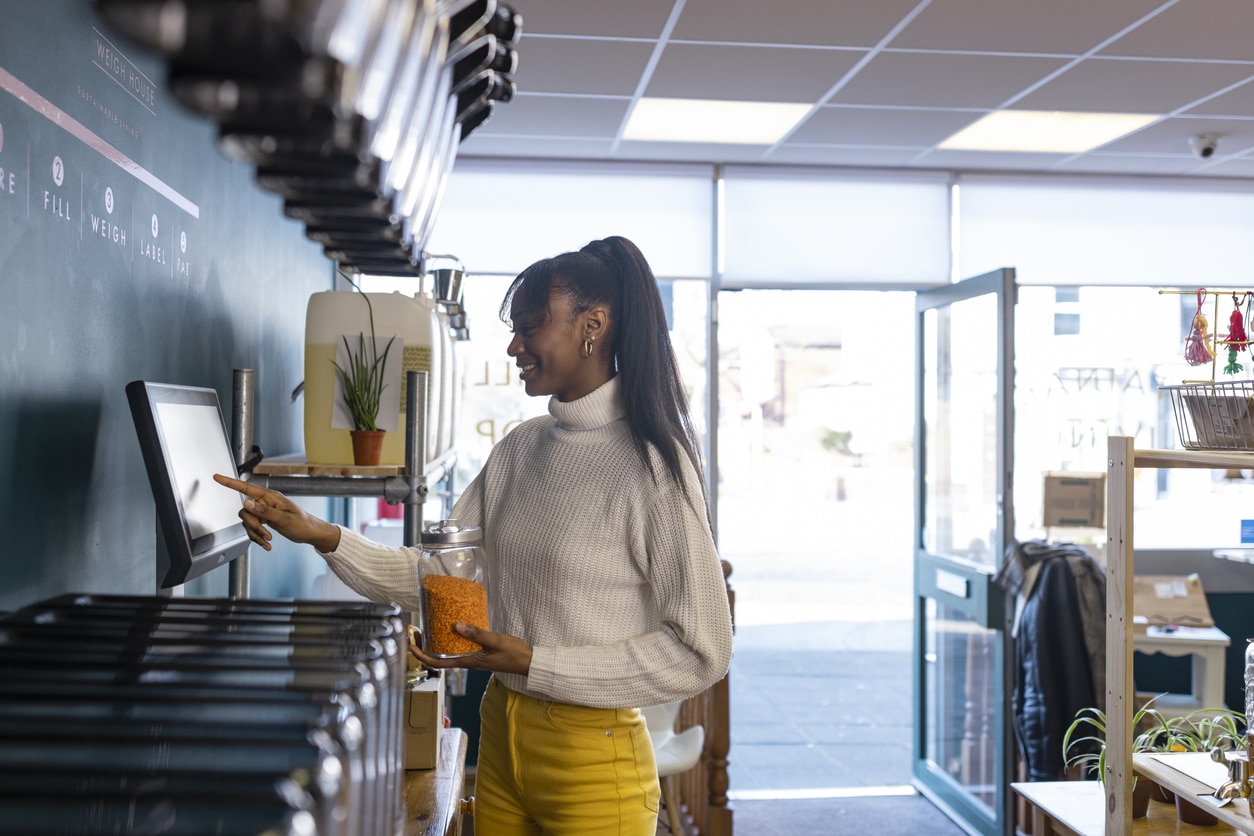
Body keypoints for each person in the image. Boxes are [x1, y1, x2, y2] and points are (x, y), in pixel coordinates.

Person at [215, 235, 733, 835]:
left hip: (595, 759)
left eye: (530, 327)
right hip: (501, 733)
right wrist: (320, 533)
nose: (515, 346)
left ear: (594, 326)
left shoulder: (652, 467)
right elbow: (437, 579)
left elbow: (704, 649)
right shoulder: (519, 449)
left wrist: (537, 663)